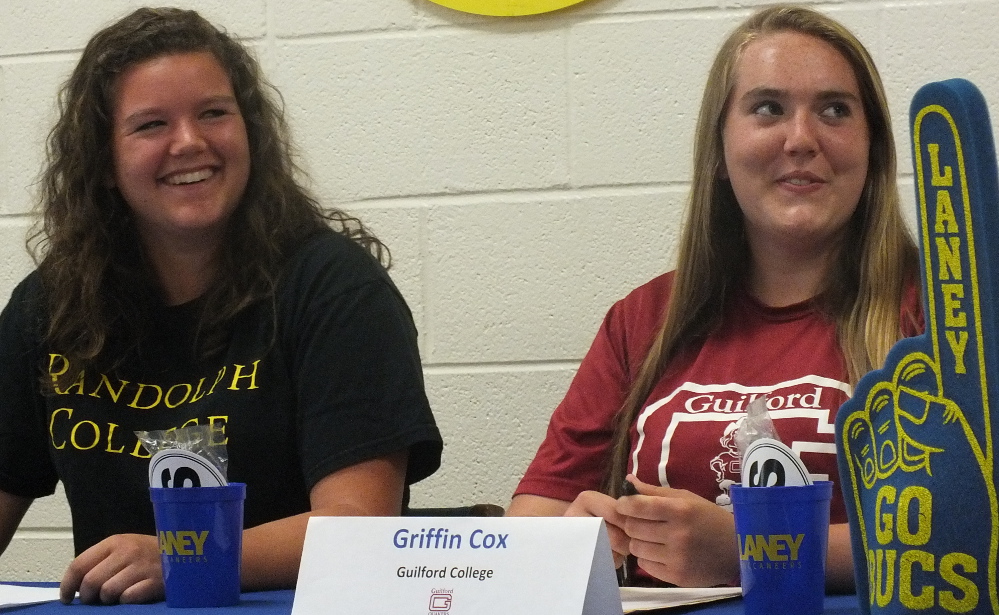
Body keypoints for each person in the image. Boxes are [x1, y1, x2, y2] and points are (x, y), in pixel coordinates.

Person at [0, 7, 442, 605]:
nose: (189, 142)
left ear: (250, 133)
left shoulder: (337, 290)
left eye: (213, 113)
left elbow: (357, 528)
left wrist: (183, 555)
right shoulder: (49, 307)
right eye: (151, 124)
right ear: (103, 163)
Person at [507, 4, 922, 593]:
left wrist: (750, 550)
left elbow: (971, 533)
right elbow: (533, 525)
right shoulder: (645, 320)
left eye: (834, 109)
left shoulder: (945, 314)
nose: (801, 139)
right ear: (718, 152)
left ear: (874, 147)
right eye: (768, 108)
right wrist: (575, 542)